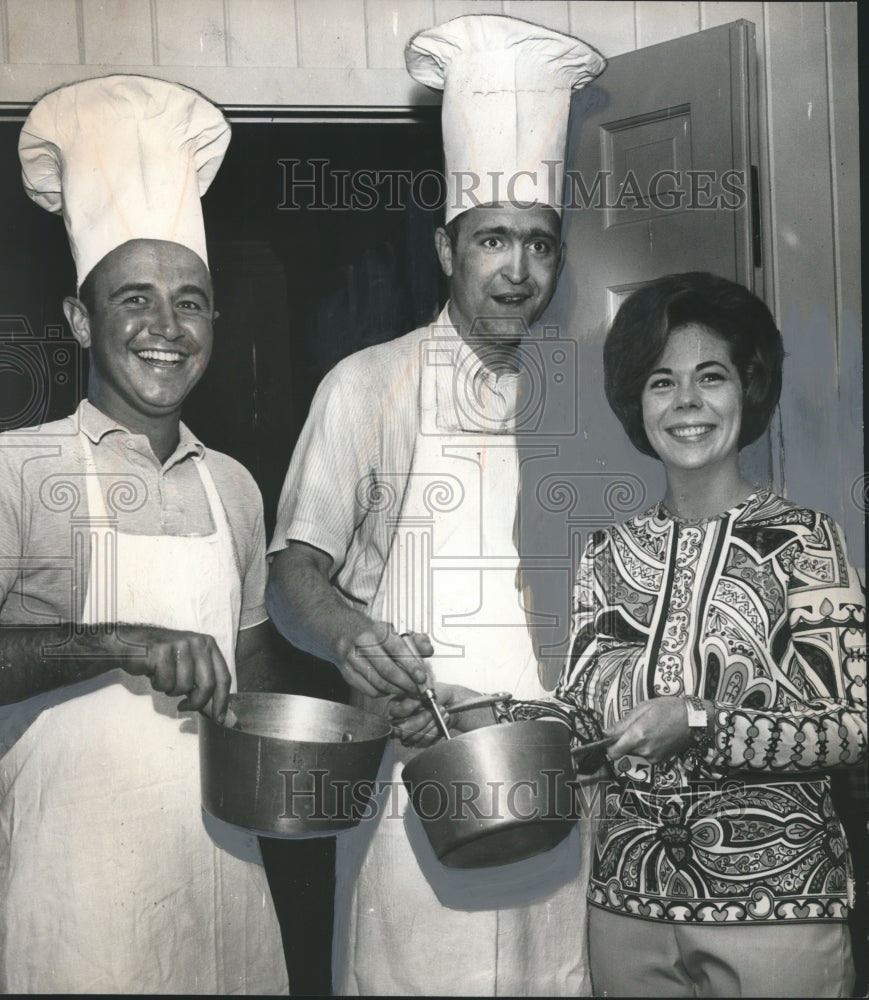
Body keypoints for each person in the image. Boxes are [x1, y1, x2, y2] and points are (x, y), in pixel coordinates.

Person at [265, 14, 606, 997]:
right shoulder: (365, 385)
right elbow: (293, 577)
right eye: (491, 239)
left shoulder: (584, 404)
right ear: (443, 247)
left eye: (537, 243)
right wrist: (351, 640)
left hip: (558, 785)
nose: (516, 269)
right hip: (415, 787)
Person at [494, 271, 865, 997]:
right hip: (626, 908)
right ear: (638, 402)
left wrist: (700, 722)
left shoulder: (806, 540)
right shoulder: (605, 553)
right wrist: (485, 716)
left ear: (745, 391)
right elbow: (579, 717)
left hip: (777, 910)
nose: (687, 402)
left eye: (711, 377)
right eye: (661, 382)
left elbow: (853, 725)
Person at [0, 75, 288, 993]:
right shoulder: (17, 468)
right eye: (134, 299)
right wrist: (121, 640)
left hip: (226, 882)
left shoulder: (234, 488)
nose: (167, 328)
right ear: (81, 320)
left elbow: (255, 689)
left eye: (191, 300)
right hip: (79, 896)